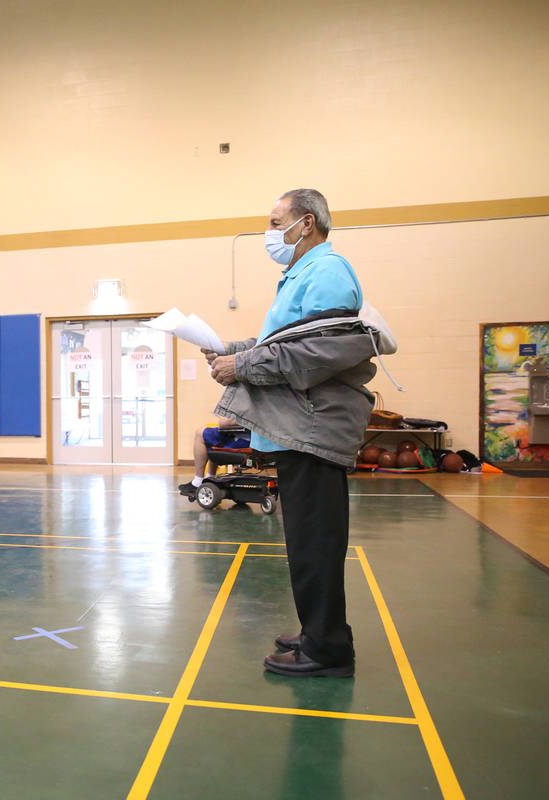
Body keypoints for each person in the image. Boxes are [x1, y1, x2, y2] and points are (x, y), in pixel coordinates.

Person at [205, 188, 393, 678]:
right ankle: (317, 632)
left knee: (315, 544)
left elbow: (319, 354)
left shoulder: (328, 272)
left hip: (313, 427)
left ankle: (328, 650)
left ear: (305, 223)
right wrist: (229, 350)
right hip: (298, 427)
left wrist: (241, 365)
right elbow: (283, 343)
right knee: (307, 542)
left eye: (275, 222)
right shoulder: (300, 275)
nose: (269, 233)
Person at [177, 417, 249, 500]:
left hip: (244, 440)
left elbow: (223, 424)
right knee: (212, 434)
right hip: (252, 438)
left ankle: (198, 481)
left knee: (200, 433)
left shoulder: (252, 405)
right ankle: (209, 478)